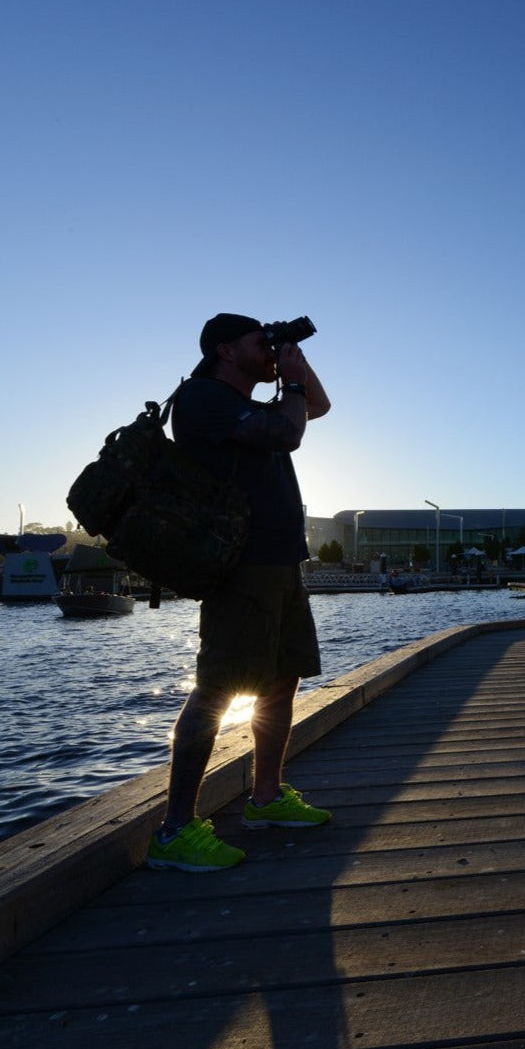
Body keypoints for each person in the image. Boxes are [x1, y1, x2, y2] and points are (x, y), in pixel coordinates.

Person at [146, 313, 332, 872]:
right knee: (218, 689)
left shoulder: (262, 402)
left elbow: (316, 407)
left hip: (279, 561)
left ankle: (266, 799)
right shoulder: (203, 399)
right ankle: (174, 831)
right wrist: (290, 384)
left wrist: (294, 365)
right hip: (239, 564)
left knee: (281, 680)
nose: (270, 350)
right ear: (226, 350)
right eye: (261, 343)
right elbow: (290, 432)